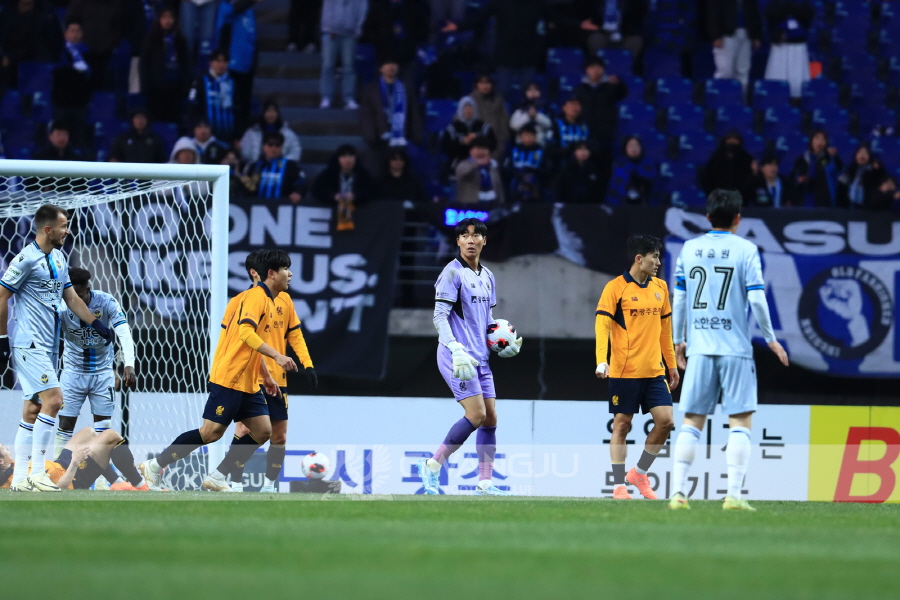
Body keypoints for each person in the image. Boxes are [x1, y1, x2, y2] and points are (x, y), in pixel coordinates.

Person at [138, 250, 299, 490]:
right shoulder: (255, 297)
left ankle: (218, 476)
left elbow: (251, 344)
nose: (290, 274)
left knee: (263, 430)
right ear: (271, 273)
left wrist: (266, 377)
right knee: (210, 433)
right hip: (230, 377)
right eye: (286, 269)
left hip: (248, 381)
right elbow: (245, 334)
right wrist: (277, 355)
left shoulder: (268, 300)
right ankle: (154, 465)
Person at [670, 189, 789, 511]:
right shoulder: (746, 250)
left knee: (691, 422)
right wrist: (770, 338)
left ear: (708, 216)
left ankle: (678, 494)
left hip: (700, 348)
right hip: (735, 348)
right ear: (738, 218)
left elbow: (679, 299)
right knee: (740, 421)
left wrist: (678, 340)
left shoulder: (689, 249)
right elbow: (757, 299)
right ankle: (733, 495)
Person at [0, 204, 115, 492]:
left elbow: (71, 298)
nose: (68, 231)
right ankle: (39, 472)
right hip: (30, 343)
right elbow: (1, 296)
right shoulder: (25, 260)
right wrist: (2, 338)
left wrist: (96, 324)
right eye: (64, 226)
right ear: (48, 229)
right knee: (54, 400)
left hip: (50, 346)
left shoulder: (60, 258)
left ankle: (22, 478)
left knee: (33, 409)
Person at [417, 217, 523, 496]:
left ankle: (485, 483)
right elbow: (439, 316)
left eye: (476, 236)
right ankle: (431, 465)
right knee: (476, 415)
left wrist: (501, 340)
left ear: (484, 240)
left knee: (490, 418)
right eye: (464, 235)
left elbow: (486, 318)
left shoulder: (488, 276)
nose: (470, 240)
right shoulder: (451, 273)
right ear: (458, 241)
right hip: (457, 356)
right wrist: (455, 348)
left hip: (480, 357)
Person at [223, 253, 317, 492]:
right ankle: (234, 483)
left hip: (277, 379)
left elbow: (295, 335)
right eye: (284, 268)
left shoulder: (284, 299)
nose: (289, 273)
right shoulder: (239, 302)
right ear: (256, 272)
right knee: (245, 430)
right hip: (248, 377)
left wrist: (307, 364)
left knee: (279, 436)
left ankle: (269, 485)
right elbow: (230, 339)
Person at [594, 234, 679, 500]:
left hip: (654, 371)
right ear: (639, 258)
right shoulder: (615, 288)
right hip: (624, 371)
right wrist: (601, 360)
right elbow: (602, 326)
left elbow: (665, 331)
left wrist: (671, 364)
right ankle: (619, 485)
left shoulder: (661, 287)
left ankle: (639, 473)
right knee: (622, 425)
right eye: (655, 256)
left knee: (666, 422)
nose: (658, 262)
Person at [55, 268, 137, 470]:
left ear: (88, 289)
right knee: (65, 424)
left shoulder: (106, 301)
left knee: (103, 429)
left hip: (102, 373)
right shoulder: (60, 304)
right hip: (72, 372)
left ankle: (100, 478)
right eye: (72, 295)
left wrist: (129, 364)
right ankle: (57, 471)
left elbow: (124, 332)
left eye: (80, 295)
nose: (76, 300)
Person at [0, 427, 149, 491]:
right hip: (73, 478)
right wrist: (75, 462)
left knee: (88, 432)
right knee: (111, 436)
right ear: (1, 461)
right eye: (3, 448)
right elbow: (58, 488)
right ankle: (140, 485)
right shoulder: (15, 479)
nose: (6, 447)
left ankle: (117, 483)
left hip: (60, 464)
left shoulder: (15, 466)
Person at [359, 56, 423, 153]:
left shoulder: (406, 88)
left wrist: (417, 136)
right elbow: (366, 115)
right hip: (379, 138)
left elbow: (414, 113)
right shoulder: (370, 89)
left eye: (394, 64)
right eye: (387, 64)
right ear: (381, 68)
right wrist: (370, 137)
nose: (391, 66)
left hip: (403, 138)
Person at [139, 7, 192, 123]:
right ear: (159, 19)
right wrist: (145, 86)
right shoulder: (151, 39)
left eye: (170, 17)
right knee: (156, 120)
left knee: (172, 121)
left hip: (175, 88)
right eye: (164, 17)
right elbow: (144, 64)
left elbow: (186, 64)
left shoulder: (180, 40)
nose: (167, 21)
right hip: (155, 88)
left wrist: (185, 86)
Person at [575, 56, 627, 173]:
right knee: (586, 170)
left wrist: (619, 84)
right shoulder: (580, 89)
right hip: (586, 135)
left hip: (606, 135)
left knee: (604, 170)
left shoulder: (611, 87)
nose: (595, 70)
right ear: (587, 70)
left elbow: (622, 94)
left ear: (603, 69)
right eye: (592, 67)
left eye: (599, 67)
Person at [214, 0, 258, 135]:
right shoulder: (225, 6)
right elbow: (233, 10)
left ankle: (242, 135)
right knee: (231, 105)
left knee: (245, 105)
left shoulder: (249, 12)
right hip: (231, 67)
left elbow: (252, 37)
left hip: (247, 66)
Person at [319, 0, 369, 109]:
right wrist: (330, 27)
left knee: (349, 67)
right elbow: (327, 8)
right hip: (331, 32)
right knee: (328, 65)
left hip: (350, 33)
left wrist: (358, 29)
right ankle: (326, 96)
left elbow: (363, 9)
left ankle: (349, 98)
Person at [707, 0, 763, 94]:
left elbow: (755, 13)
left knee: (743, 70)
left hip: (746, 34)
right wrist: (716, 36)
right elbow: (713, 13)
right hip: (727, 35)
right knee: (725, 70)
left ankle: (740, 99)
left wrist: (757, 35)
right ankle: (721, 98)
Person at [312, 144, 375, 229]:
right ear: (337, 159)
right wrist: (333, 196)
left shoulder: (363, 174)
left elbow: (371, 190)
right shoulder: (328, 173)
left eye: (351, 156)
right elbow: (318, 190)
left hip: (360, 216)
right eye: (344, 156)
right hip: (332, 215)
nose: (348, 159)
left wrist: (356, 196)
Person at [52, 18, 93, 148]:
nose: (75, 34)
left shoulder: (88, 52)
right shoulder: (58, 51)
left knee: (79, 139)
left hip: (81, 104)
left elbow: (91, 77)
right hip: (61, 103)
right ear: (66, 33)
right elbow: (58, 73)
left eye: (78, 31)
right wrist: (74, 71)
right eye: (72, 31)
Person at [764, 0, 814, 99]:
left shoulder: (803, 3)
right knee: (776, 81)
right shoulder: (775, 4)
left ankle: (796, 101)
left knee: (797, 82)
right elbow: (769, 12)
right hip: (779, 46)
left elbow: (809, 12)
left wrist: (789, 8)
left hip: (798, 46)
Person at [241, 132, 307, 203]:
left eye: (277, 145)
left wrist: (297, 192)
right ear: (263, 147)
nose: (274, 148)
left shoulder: (290, 166)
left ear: (281, 147)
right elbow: (246, 188)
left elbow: (300, 182)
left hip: (283, 206)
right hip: (256, 206)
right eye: (270, 144)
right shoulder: (254, 166)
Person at [439, 96, 496, 177]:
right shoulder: (453, 128)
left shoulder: (483, 127)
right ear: (460, 110)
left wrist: (478, 139)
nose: (468, 110)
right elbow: (445, 147)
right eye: (465, 108)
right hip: (458, 164)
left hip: (482, 165)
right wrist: (462, 141)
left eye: (470, 107)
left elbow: (493, 144)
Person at [189, 49, 236, 143]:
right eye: (218, 61)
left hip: (228, 134)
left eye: (224, 61)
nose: (221, 65)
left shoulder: (233, 82)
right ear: (211, 63)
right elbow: (192, 105)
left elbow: (238, 108)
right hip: (206, 134)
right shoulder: (200, 81)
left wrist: (237, 134)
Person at [240, 100, 302, 164]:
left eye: (273, 111)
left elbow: (295, 153)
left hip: (281, 167)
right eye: (268, 111)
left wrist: (282, 162)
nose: (271, 114)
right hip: (258, 166)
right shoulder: (252, 132)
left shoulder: (288, 134)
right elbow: (245, 153)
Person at [791, 130, 843, 208]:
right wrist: (800, 180)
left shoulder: (829, 158)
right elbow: (794, 178)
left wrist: (834, 156)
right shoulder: (801, 160)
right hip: (804, 201)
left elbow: (839, 168)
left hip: (824, 201)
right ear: (811, 141)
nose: (820, 141)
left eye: (823, 139)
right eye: (817, 138)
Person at [468, 74, 510, 162]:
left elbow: (504, 121)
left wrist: (501, 140)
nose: (485, 85)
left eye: (488, 83)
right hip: (475, 143)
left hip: (495, 142)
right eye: (481, 83)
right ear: (476, 84)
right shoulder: (469, 100)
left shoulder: (498, 100)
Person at [700, 131, 755, 196]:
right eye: (729, 139)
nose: (732, 142)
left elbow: (750, 179)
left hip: (740, 195)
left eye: (735, 139)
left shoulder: (746, 158)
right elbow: (708, 178)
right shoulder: (716, 158)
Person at [606, 135, 655, 205]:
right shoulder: (617, 164)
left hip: (641, 205)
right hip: (616, 203)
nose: (633, 148)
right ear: (625, 148)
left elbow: (650, 185)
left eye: (636, 145)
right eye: (630, 145)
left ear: (641, 147)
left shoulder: (648, 164)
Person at [504, 124, 547, 202]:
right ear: (521, 137)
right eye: (526, 135)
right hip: (517, 178)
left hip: (535, 178)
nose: (528, 138)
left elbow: (545, 169)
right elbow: (507, 167)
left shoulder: (541, 151)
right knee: (513, 183)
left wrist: (532, 172)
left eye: (531, 135)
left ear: (535, 137)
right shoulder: (514, 151)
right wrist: (517, 174)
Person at [455, 137, 504, 204]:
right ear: (471, 151)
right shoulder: (464, 164)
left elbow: (498, 186)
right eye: (478, 148)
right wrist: (476, 163)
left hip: (492, 202)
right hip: (471, 203)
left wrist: (501, 202)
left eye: (484, 148)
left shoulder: (493, 166)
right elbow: (463, 173)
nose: (481, 151)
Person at [838, 144, 887, 210]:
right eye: (860, 152)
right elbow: (841, 189)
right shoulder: (849, 170)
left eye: (865, 153)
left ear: (870, 156)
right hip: (849, 207)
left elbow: (882, 184)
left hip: (868, 209)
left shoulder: (875, 171)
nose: (862, 155)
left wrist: (878, 169)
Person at [548, 96, 590, 168]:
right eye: (572, 104)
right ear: (564, 107)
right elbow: (550, 150)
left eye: (578, 104)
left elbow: (593, 145)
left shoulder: (585, 126)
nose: (575, 107)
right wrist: (570, 149)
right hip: (561, 167)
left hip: (583, 167)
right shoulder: (555, 125)